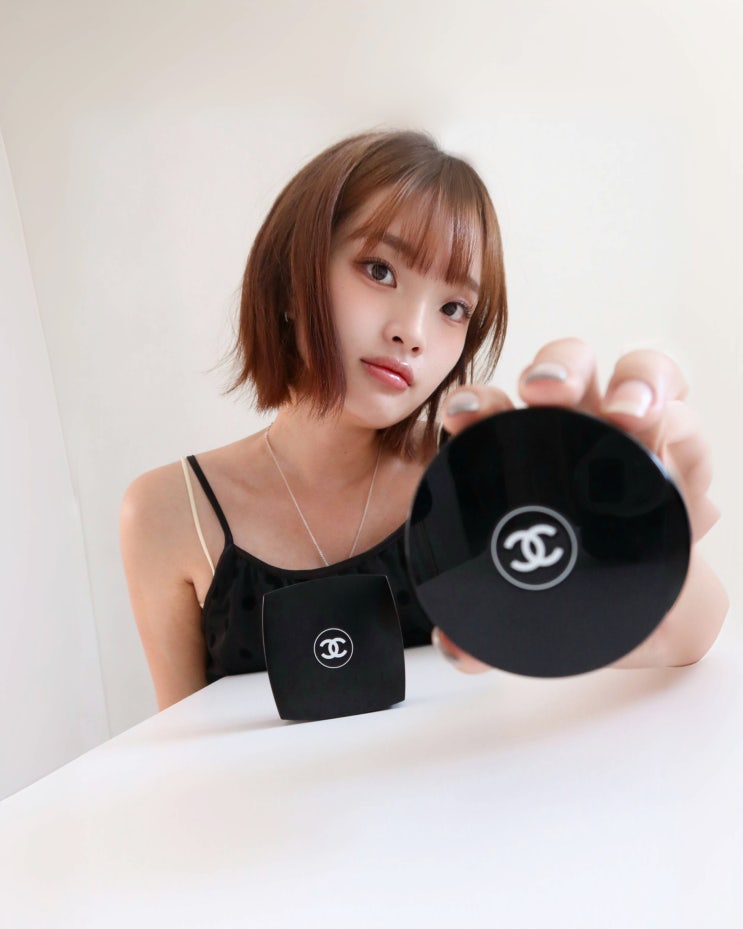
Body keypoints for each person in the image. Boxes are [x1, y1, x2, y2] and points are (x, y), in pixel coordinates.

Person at [120, 130, 728, 711]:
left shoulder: (479, 492)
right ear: (291, 273)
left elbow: (685, 640)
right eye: (379, 270)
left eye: (454, 307)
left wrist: (647, 528)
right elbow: (180, 746)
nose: (412, 332)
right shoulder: (168, 512)